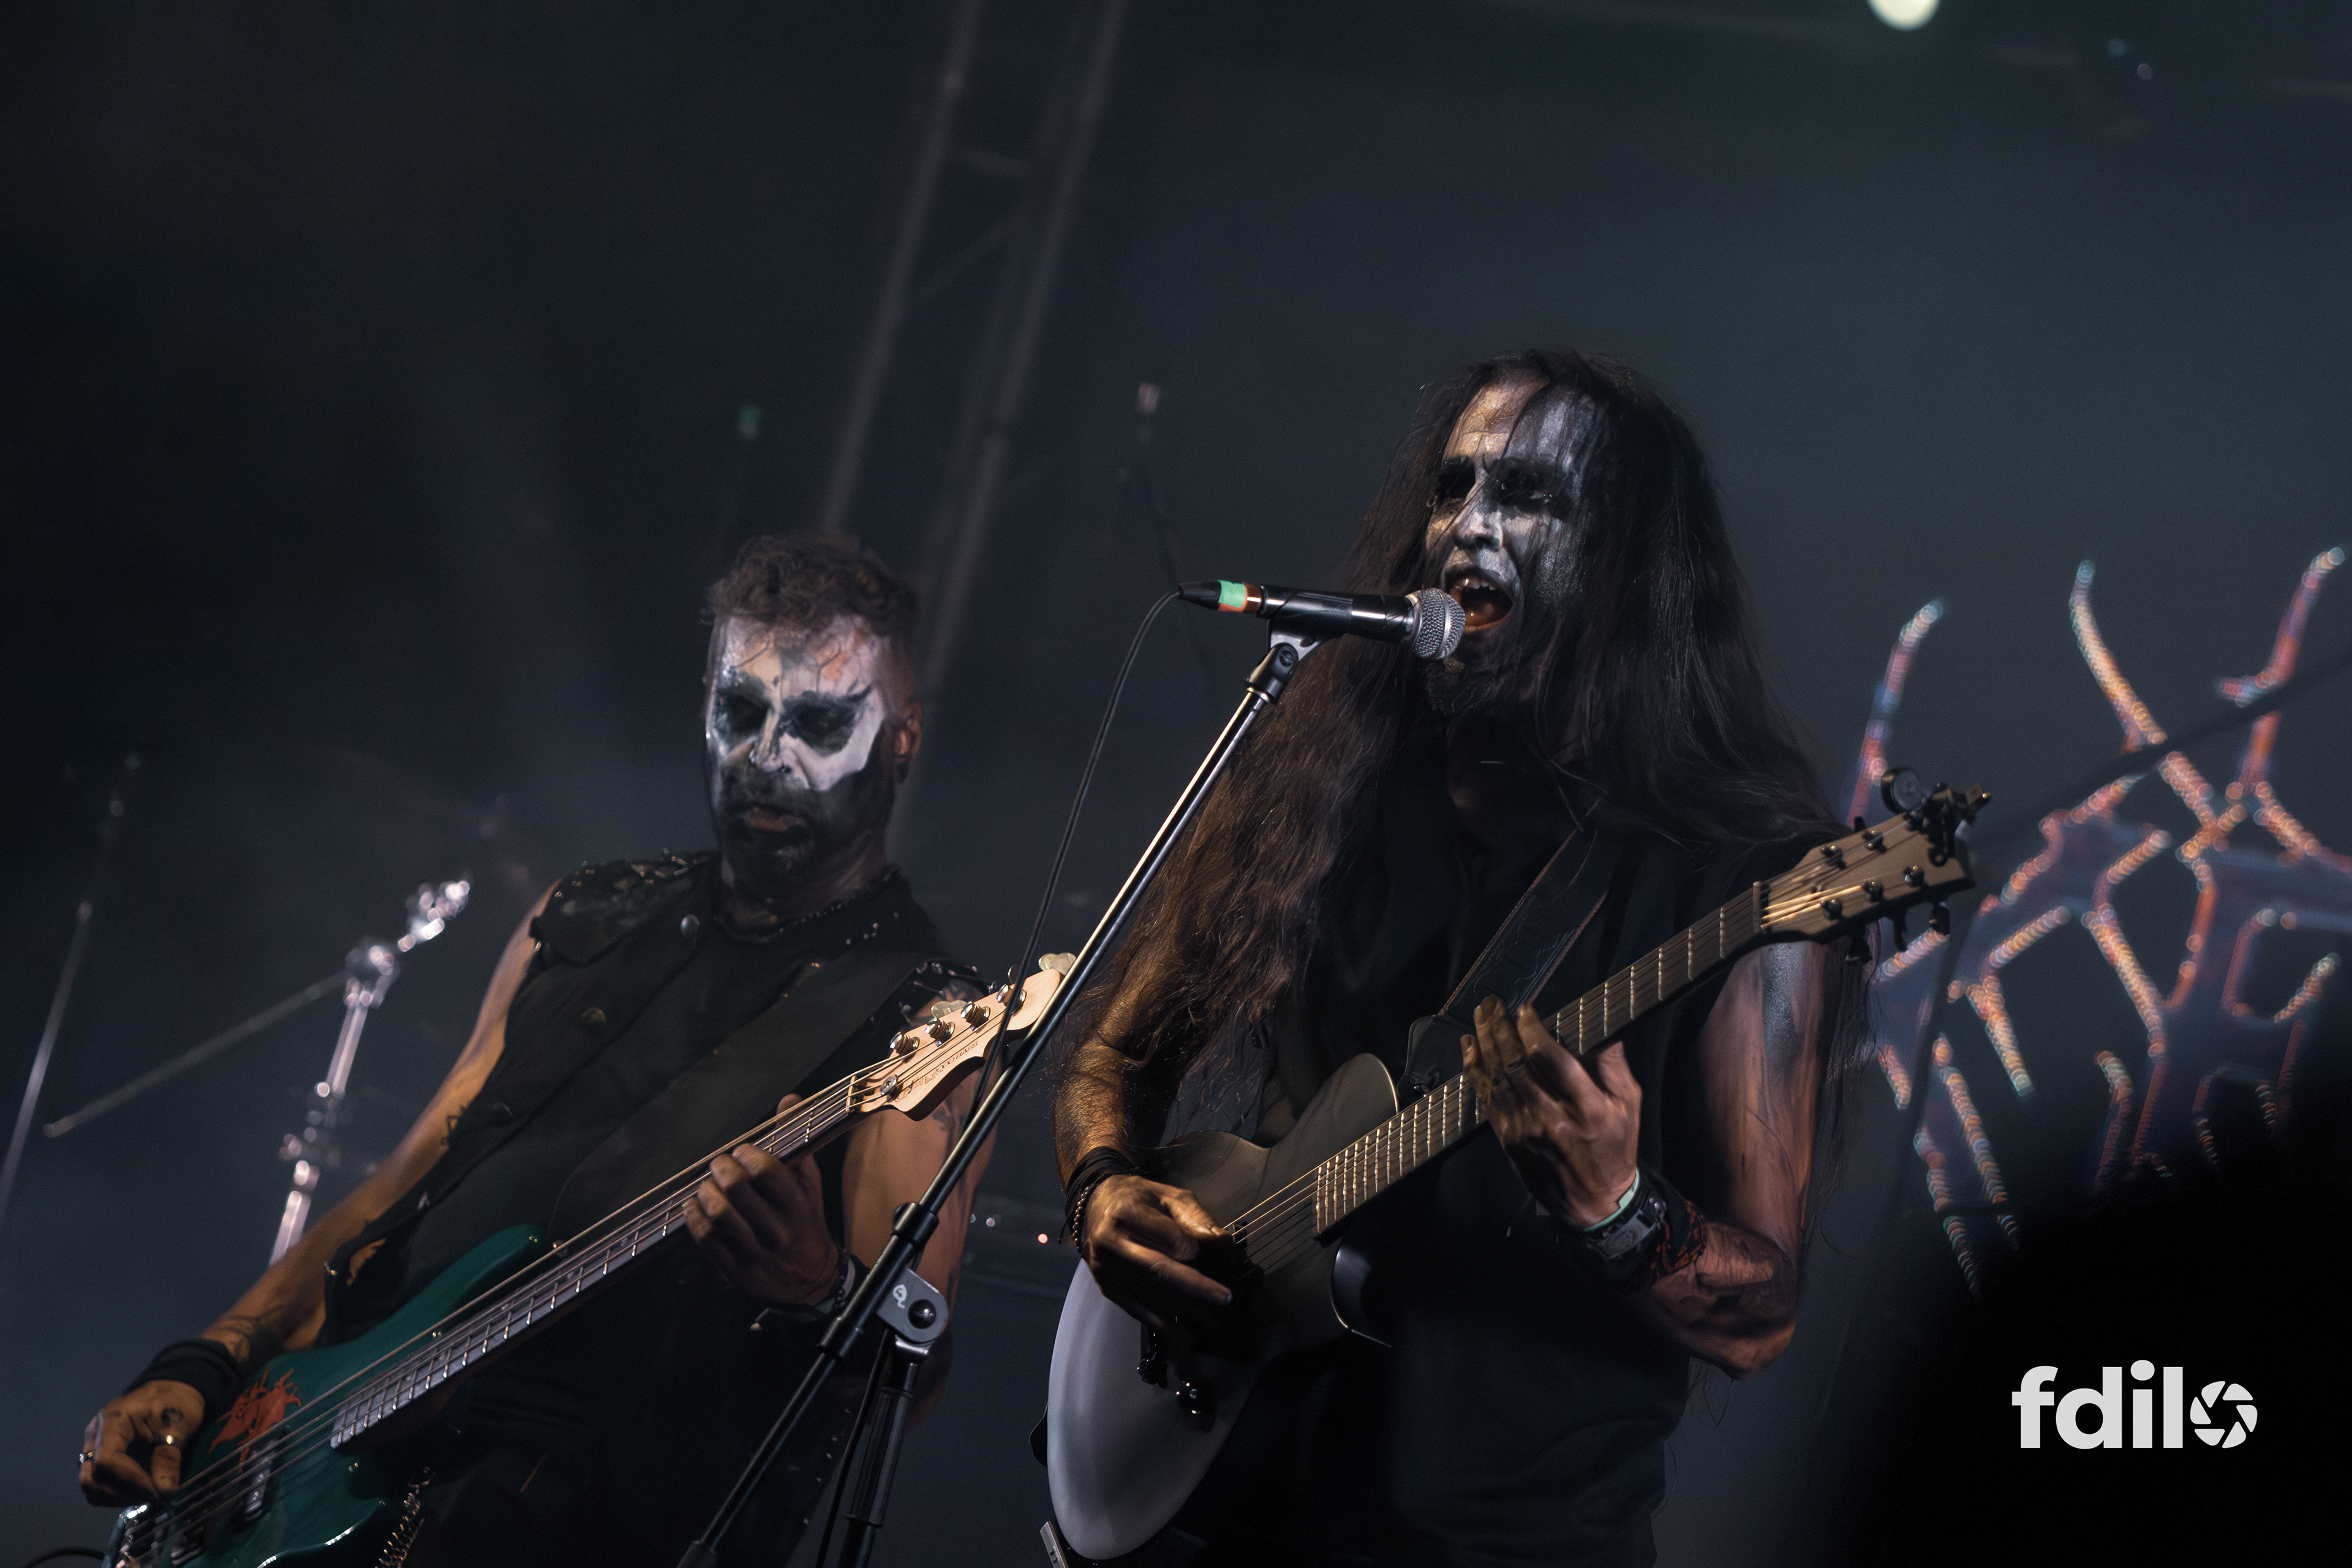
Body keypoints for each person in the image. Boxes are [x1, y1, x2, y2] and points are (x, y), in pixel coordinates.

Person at [1052, 350, 1864, 1567]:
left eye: (1530, 496)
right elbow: (1116, 1055)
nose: (1469, 525)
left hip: (1508, 1542)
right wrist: (1102, 1187)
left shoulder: (1747, 887)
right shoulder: (1322, 787)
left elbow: (1761, 1313)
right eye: (1454, 485)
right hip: (1240, 1495)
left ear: (1629, 566)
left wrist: (1617, 1208)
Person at [79, 535, 985, 1564]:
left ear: (903, 738)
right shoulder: (586, 913)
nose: (768, 756)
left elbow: (913, 1377)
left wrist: (819, 1288)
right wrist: (206, 1364)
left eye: (819, 723)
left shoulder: (922, 1017)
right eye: (741, 711)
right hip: (330, 1455)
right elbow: (399, 1189)